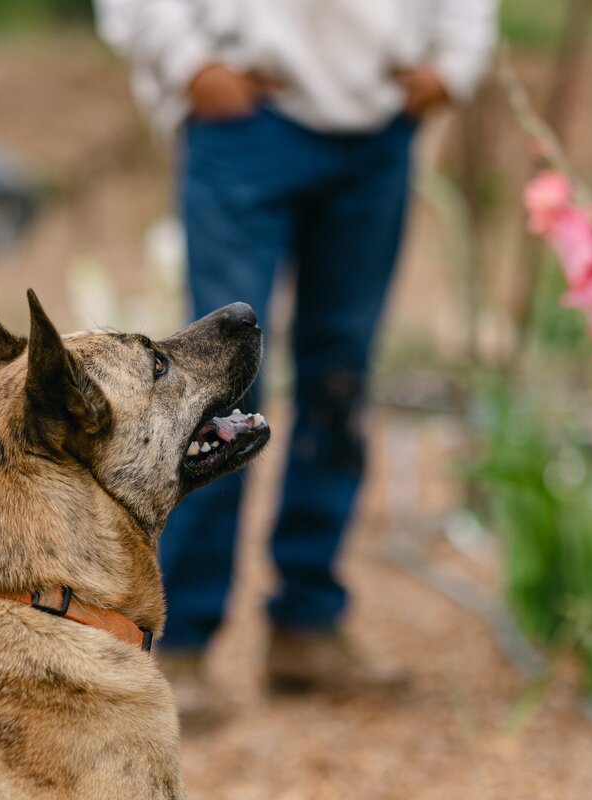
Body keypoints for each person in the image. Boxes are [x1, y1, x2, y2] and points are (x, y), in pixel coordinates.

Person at [95, 0, 497, 707]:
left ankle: (308, 625)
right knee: (219, 386)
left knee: (342, 375)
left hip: (379, 127)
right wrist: (188, 64)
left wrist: (458, 62)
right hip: (245, 120)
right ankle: (178, 641)